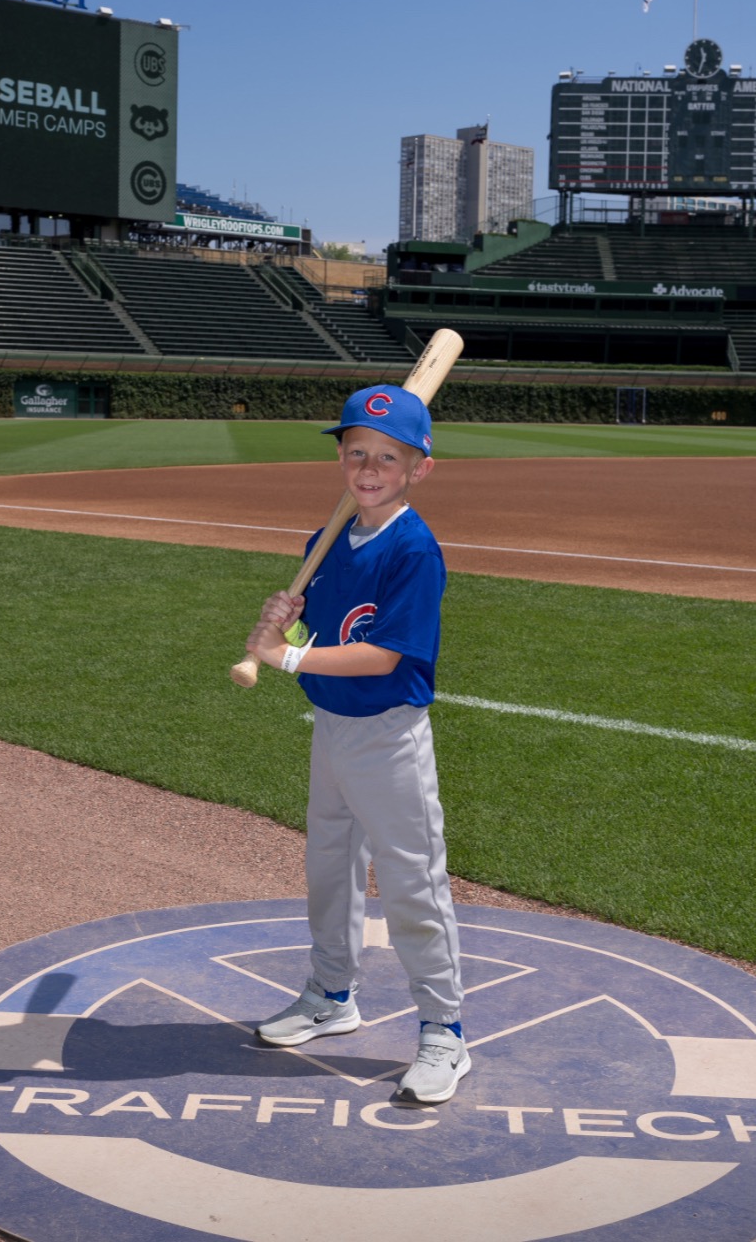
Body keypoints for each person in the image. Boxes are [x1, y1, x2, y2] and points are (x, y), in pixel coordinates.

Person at [245, 383, 468, 1105]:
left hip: (389, 737)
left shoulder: (414, 549)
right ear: (340, 457)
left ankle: (443, 1029)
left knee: (411, 882)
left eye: (387, 457)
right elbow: (321, 633)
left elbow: (382, 655)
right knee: (330, 869)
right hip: (331, 729)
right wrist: (285, 622)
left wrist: (284, 656)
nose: (369, 468)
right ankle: (331, 995)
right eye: (356, 452)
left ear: (418, 468)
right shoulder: (327, 539)